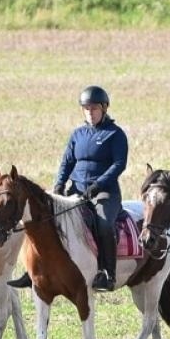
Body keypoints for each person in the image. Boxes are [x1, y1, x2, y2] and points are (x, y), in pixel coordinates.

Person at [52, 85, 128, 292]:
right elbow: (67, 161)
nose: (90, 112)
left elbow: (119, 164)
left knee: (104, 225)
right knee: (49, 218)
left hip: (104, 192)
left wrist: (98, 185)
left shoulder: (115, 134)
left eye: (94, 108)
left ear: (104, 108)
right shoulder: (78, 134)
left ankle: (107, 273)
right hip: (76, 189)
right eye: (86, 109)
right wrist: (59, 183)